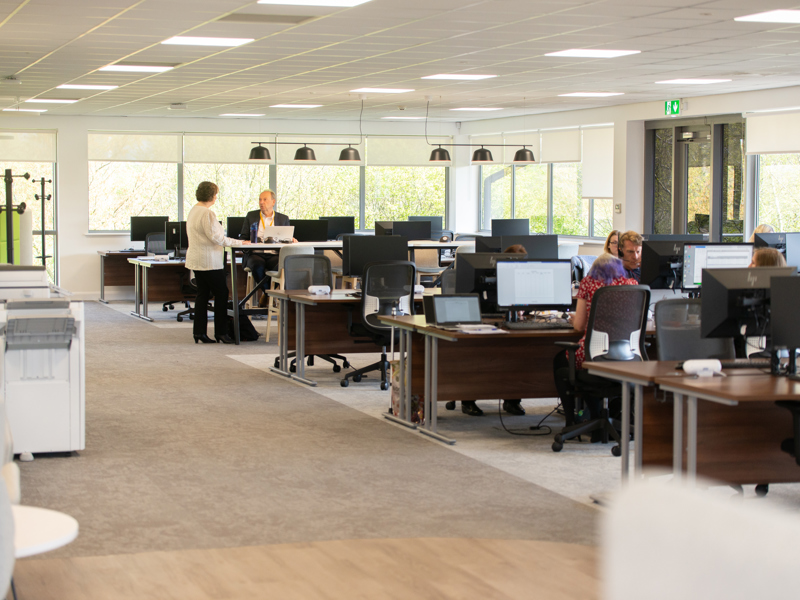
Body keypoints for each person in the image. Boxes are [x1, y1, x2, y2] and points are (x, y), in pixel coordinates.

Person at [553, 254, 637, 428]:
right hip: (626, 356)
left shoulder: (589, 284)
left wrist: (572, 319)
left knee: (561, 360)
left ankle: (572, 420)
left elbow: (579, 326)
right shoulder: (633, 285)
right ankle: (598, 418)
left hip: (595, 354)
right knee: (585, 366)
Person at [186, 181, 249, 344]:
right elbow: (216, 238)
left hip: (197, 259)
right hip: (209, 261)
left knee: (202, 295)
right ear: (211, 196)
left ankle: (199, 332)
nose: (216, 197)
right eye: (215, 194)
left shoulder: (194, 211)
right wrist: (240, 243)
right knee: (222, 293)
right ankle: (221, 332)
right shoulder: (207, 214)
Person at [239, 189, 292, 298]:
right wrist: (247, 241)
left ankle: (267, 293)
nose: (261, 202)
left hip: (274, 254)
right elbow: (243, 237)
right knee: (257, 265)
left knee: (283, 266)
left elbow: (286, 240)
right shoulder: (251, 216)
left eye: (264, 200)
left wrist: (292, 239)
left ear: (273, 202)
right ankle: (268, 294)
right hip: (255, 254)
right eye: (260, 200)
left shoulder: (283, 219)